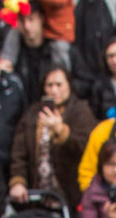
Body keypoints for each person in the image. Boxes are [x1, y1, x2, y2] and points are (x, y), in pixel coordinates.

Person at [8, 64, 83, 206]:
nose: (54, 90)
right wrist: (18, 181)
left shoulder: (81, 112)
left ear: (68, 85)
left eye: (59, 84)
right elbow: (19, 153)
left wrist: (61, 131)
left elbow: (85, 147)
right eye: (49, 85)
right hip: (37, 193)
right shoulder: (32, 114)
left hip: (70, 195)